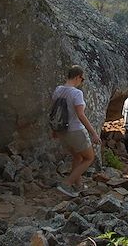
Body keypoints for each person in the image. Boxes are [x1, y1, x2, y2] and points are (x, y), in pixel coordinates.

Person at [52, 65, 101, 197]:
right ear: (77, 77)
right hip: (76, 130)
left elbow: (55, 111)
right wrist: (94, 133)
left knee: (77, 156)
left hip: (62, 131)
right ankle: (67, 184)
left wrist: (54, 130)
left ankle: (78, 184)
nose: (81, 81)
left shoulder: (58, 90)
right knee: (89, 157)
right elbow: (81, 115)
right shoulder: (76, 93)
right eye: (82, 78)